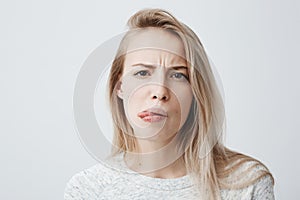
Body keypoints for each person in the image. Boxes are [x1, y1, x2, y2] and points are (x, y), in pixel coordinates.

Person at [64, 8, 275, 199]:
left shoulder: (247, 184)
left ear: (196, 91)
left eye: (178, 75)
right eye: (142, 73)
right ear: (119, 86)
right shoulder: (87, 190)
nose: (159, 92)